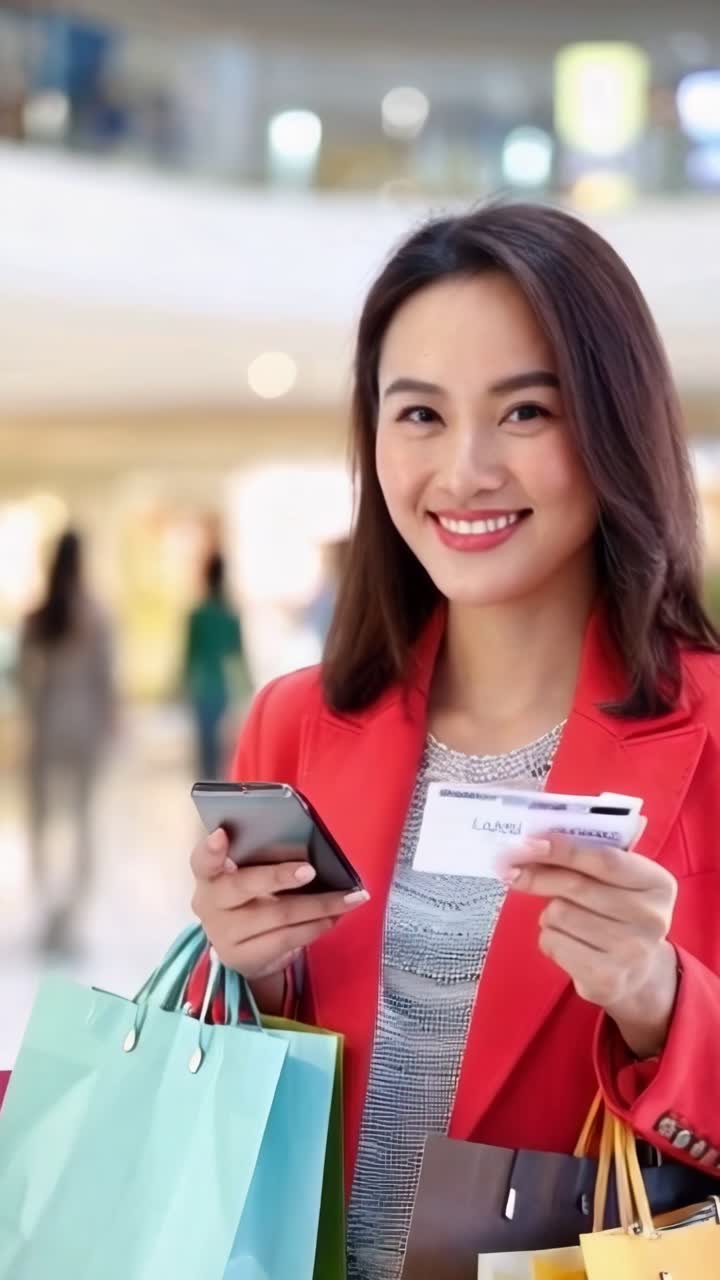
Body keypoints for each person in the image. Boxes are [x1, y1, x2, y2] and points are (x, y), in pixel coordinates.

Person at [189, 204, 720, 1279]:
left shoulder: (707, 733)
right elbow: (244, 1085)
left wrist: (663, 1003)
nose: (465, 469)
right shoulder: (295, 719)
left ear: (613, 422)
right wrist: (238, 968)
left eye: (524, 411)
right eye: (419, 414)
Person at [19, 529, 114, 952]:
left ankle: (48, 908)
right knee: (82, 821)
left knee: (43, 822)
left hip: (46, 727)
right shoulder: (94, 616)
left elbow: (23, 680)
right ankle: (71, 913)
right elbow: (106, 681)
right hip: (85, 728)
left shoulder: (38, 618)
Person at [183, 551, 246, 780]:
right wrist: (246, 690)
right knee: (223, 751)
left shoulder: (198, 615)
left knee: (205, 751)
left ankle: (206, 794)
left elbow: (189, 656)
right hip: (222, 687)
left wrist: (183, 686)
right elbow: (239, 655)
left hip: (203, 687)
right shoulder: (230, 615)